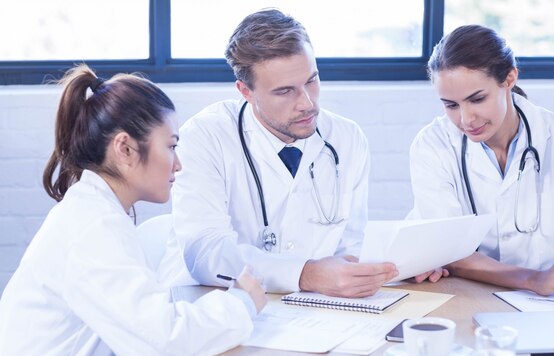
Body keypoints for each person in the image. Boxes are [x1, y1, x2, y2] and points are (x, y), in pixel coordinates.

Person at [0, 64, 267, 356]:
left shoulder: (100, 213)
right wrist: (243, 304)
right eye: (171, 147)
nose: (178, 165)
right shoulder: (91, 228)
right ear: (124, 149)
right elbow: (161, 340)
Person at [159, 8, 398, 298]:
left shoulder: (347, 139)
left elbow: (352, 246)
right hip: (211, 305)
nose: (307, 103)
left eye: (311, 80)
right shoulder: (205, 137)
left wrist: (390, 269)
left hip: (311, 310)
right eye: (285, 91)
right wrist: (306, 274)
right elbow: (206, 252)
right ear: (246, 91)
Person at [408, 24, 554, 297]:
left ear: (509, 78)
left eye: (477, 99)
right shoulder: (432, 145)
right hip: (470, 294)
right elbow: (449, 252)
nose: (465, 119)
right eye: (451, 105)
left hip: (552, 302)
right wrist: (535, 279)